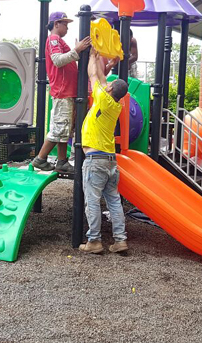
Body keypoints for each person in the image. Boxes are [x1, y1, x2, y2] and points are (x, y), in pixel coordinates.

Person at [78, 48, 130, 254]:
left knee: (92, 201)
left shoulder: (102, 98)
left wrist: (92, 58)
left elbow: (93, 76)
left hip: (95, 160)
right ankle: (120, 240)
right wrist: (101, 62)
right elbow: (101, 78)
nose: (105, 84)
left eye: (108, 84)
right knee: (114, 201)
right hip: (110, 160)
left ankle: (94, 241)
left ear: (109, 90)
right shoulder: (116, 104)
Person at [31, 12, 91, 174]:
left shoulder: (59, 40)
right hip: (62, 90)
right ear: (56, 24)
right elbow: (58, 60)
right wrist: (76, 50)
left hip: (66, 90)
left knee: (65, 128)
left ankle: (62, 161)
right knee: (59, 128)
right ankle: (41, 159)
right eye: (65, 24)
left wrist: (78, 51)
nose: (67, 27)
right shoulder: (53, 39)